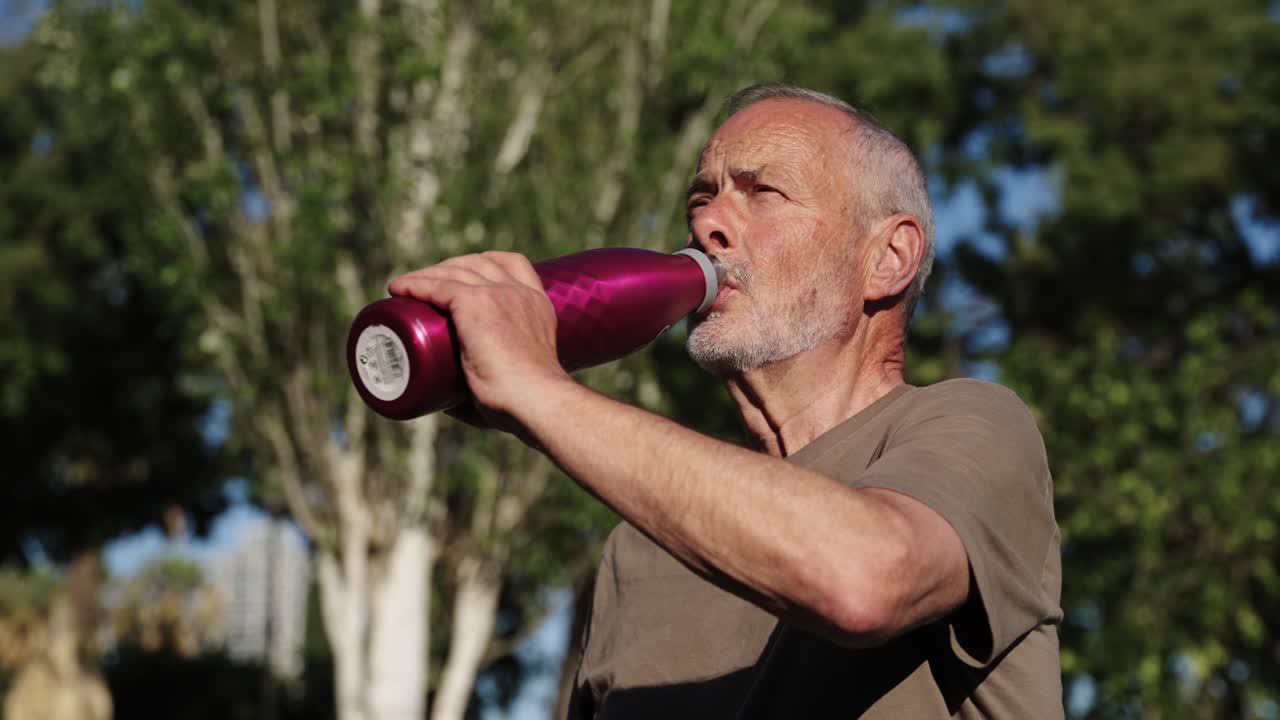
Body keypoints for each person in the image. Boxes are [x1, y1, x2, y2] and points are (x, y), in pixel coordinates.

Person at [389, 83, 1063, 718]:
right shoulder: (639, 551)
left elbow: (867, 579)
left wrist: (537, 391)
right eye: (699, 199)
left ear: (888, 258)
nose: (708, 222)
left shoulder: (972, 424)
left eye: (763, 191)